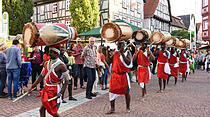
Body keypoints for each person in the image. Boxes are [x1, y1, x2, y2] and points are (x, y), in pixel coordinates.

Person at [28, 46, 70, 117]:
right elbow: (41, 76)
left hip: (54, 90)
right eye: (49, 52)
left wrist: (60, 93)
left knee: (52, 112)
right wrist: (32, 87)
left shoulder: (61, 65)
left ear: (56, 54)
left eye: (51, 52)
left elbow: (67, 81)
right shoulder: (46, 63)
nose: (49, 54)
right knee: (42, 109)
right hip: (46, 89)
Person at [106, 41, 132, 114]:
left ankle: (128, 107)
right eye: (118, 45)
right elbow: (109, 61)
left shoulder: (128, 52)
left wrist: (122, 54)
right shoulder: (116, 53)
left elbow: (128, 62)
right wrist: (107, 53)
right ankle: (112, 108)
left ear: (124, 46)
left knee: (126, 92)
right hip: (115, 75)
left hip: (124, 75)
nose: (118, 47)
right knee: (111, 91)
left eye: (120, 45)